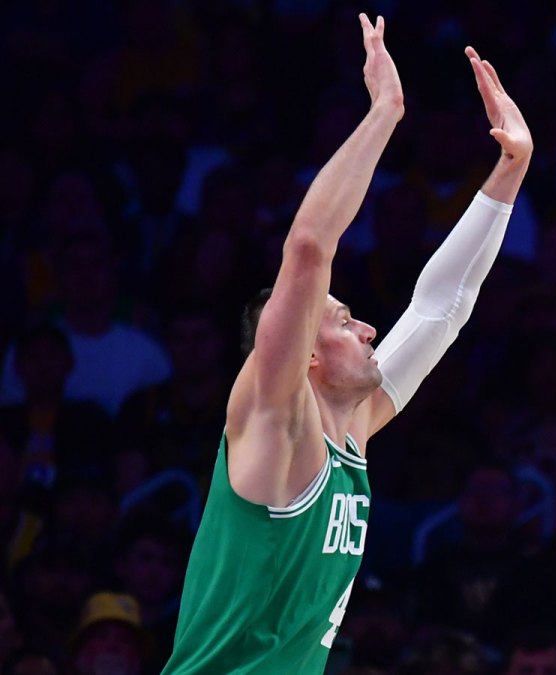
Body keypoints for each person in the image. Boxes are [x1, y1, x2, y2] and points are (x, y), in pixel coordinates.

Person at [163, 14, 532, 673]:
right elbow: (308, 246)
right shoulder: (274, 421)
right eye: (342, 319)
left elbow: (441, 307)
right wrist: (384, 113)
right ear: (301, 349)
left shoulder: (353, 427)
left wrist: (511, 167)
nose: (368, 329)